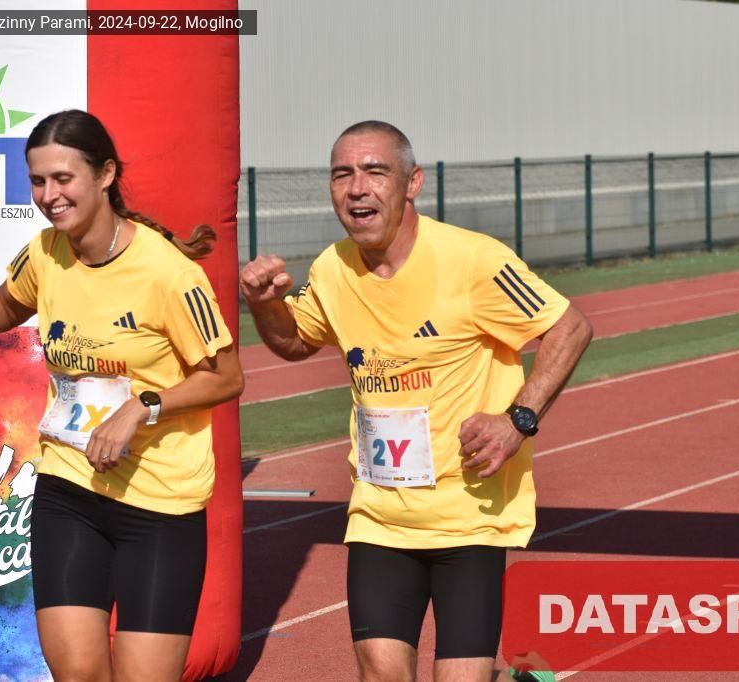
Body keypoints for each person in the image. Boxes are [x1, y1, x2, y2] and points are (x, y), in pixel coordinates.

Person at [240, 121, 592, 681]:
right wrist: (264, 305)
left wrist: (517, 420)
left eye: (375, 171)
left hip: (468, 518)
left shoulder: (473, 260)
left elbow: (569, 327)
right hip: (380, 516)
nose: (357, 187)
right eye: (342, 174)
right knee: (381, 671)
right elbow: (294, 341)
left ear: (412, 182)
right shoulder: (333, 268)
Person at [0, 109, 244, 681]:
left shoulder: (169, 273)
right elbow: (7, 300)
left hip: (158, 504)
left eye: (63, 178)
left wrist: (142, 407)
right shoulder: (46, 251)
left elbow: (226, 377)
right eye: (38, 181)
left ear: (105, 175)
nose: (49, 195)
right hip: (69, 490)